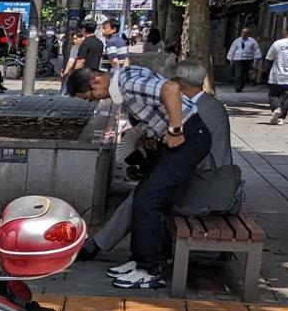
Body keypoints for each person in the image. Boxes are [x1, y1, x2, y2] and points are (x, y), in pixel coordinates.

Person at [68, 58, 211, 291]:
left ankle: (149, 269)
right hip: (182, 139)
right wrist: (152, 132)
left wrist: (175, 130)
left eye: (91, 97)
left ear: (96, 81)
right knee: (146, 197)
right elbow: (156, 104)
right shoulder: (125, 76)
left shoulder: (127, 83)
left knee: (147, 200)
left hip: (189, 138)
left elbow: (171, 89)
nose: (97, 101)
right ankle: (141, 260)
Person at [226, 28, 262, 92]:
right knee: (238, 73)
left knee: (244, 74)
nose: (243, 34)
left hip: (247, 59)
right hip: (237, 59)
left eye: (245, 33)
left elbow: (256, 51)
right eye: (242, 32)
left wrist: (255, 61)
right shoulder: (237, 41)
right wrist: (230, 59)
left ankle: (241, 85)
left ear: (248, 34)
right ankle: (238, 87)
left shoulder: (252, 41)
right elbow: (232, 50)